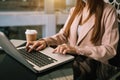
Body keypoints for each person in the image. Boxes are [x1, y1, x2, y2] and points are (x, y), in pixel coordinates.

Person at [26, 0, 119, 80]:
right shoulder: (75, 10)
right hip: (71, 63)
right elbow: (63, 35)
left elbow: (110, 49)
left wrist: (77, 49)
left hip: (95, 67)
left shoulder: (108, 10)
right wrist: (45, 41)